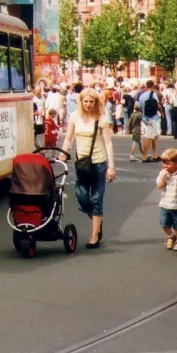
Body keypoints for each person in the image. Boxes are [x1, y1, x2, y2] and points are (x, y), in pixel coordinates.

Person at [61, 88, 116, 249]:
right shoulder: (74, 117)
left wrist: (111, 167)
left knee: (96, 199)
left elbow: (108, 143)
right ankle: (97, 220)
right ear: (81, 102)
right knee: (82, 198)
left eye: (91, 101)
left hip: (98, 163)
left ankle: (94, 236)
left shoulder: (101, 119)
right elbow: (68, 138)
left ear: (96, 102)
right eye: (85, 101)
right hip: (81, 163)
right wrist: (63, 154)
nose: (88, 104)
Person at [156, 148, 177, 251]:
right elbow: (159, 186)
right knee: (164, 223)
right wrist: (163, 177)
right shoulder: (163, 173)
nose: (165, 166)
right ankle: (170, 235)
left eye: (168, 163)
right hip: (165, 203)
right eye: (163, 163)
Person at [137, 80, 163, 162]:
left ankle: (155, 155)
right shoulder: (153, 94)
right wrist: (162, 113)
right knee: (148, 137)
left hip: (145, 117)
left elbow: (140, 107)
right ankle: (144, 156)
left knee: (155, 136)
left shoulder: (141, 95)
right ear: (153, 85)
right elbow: (157, 105)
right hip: (152, 117)